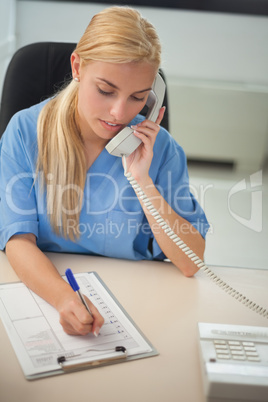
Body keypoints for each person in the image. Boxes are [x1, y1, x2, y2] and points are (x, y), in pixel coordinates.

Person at [0, 6, 209, 336]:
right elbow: (18, 241)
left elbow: (190, 261)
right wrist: (65, 299)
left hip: (139, 306)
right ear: (78, 65)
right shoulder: (26, 131)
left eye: (138, 98)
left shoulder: (159, 148)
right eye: (106, 90)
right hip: (46, 295)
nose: (119, 112)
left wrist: (142, 180)